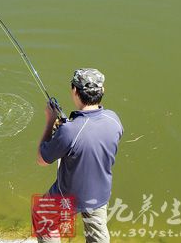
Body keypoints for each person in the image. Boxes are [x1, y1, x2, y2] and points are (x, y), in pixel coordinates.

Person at [34, 68, 123, 243]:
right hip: (100, 193)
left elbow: (42, 160)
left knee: (42, 215)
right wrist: (67, 128)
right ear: (102, 91)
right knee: (97, 235)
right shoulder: (114, 120)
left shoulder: (69, 131)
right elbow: (89, 139)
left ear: (75, 90)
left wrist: (50, 121)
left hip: (68, 195)